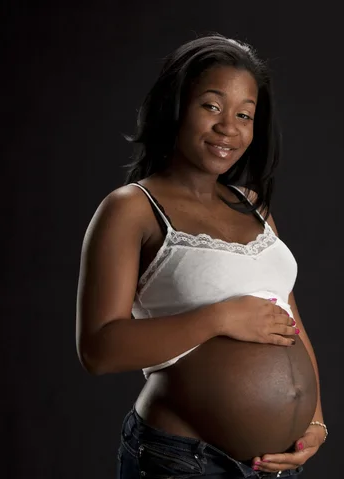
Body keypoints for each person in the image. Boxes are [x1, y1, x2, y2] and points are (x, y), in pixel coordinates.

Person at [75, 33, 327, 478]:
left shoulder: (253, 206)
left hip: (275, 466)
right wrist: (219, 318)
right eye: (211, 106)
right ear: (176, 106)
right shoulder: (131, 208)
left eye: (244, 115)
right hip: (184, 460)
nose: (228, 127)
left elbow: (287, 317)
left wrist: (315, 420)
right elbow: (98, 349)